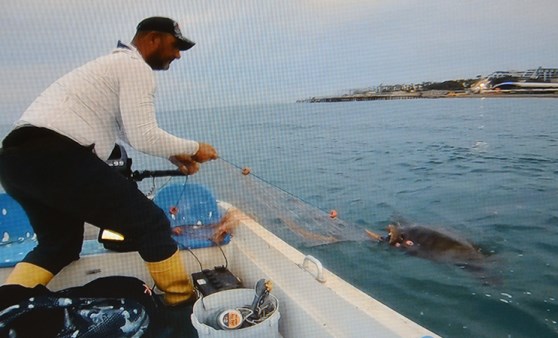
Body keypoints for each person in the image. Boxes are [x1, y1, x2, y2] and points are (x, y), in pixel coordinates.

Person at [0, 16, 217, 306]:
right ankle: (182, 304)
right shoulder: (134, 67)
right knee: (151, 224)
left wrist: (173, 153)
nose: (177, 54)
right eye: (175, 45)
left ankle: (7, 307)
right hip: (56, 157)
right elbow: (144, 136)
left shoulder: (109, 67)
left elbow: (127, 131)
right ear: (152, 39)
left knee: (58, 246)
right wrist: (196, 147)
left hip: (15, 164)